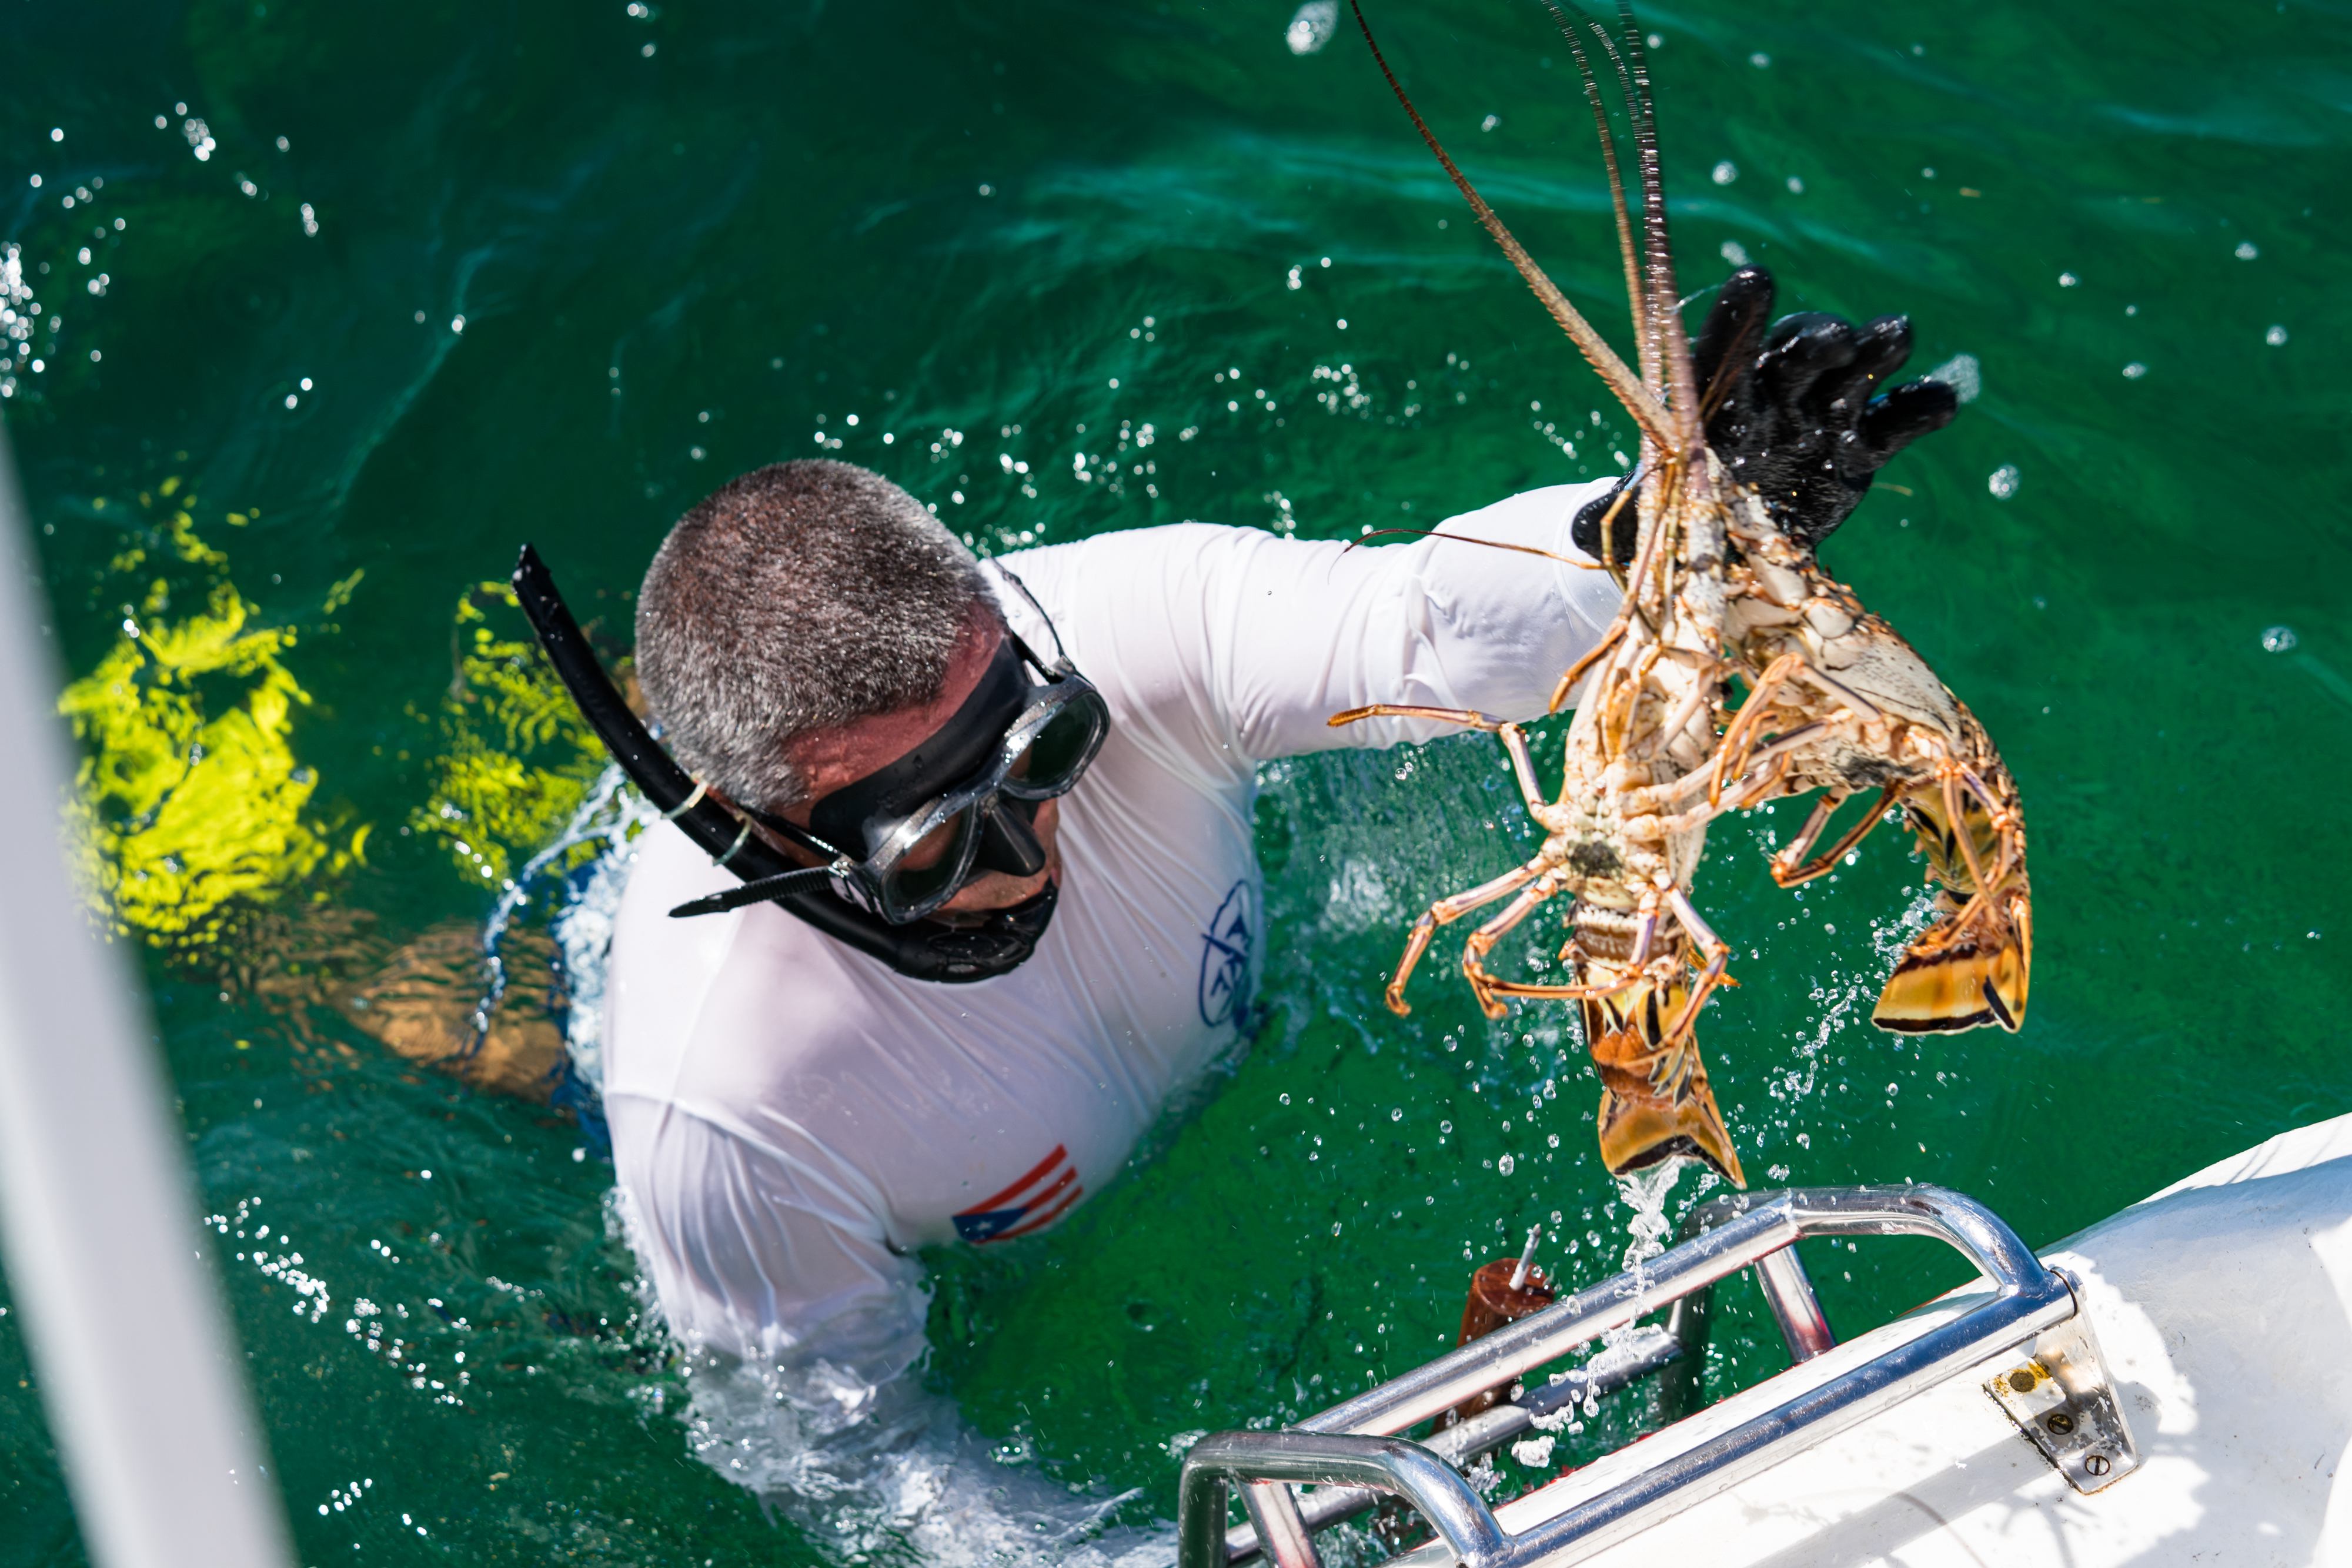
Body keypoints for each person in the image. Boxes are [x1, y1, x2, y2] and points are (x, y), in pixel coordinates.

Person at [594, 268, 1957, 1398]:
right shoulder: (732, 1111)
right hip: (623, 1038)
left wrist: (1670, 535)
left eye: (1041, 754)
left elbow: (1421, 625)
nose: (1026, 852)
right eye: (932, 851)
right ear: (770, 849)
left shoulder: (1118, 627)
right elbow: (861, 1457)